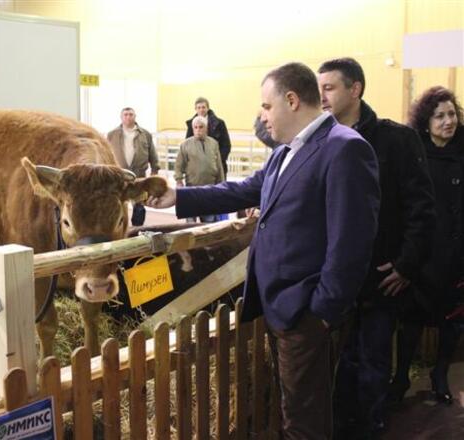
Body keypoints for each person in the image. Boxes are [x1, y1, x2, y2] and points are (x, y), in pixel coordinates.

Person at [148, 62, 380, 439]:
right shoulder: (284, 151)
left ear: (291, 100)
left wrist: (321, 312)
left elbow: (351, 243)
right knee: (293, 405)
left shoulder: (344, 149)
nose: (261, 116)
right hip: (281, 306)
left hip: (305, 310)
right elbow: (240, 190)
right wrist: (177, 197)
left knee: (306, 418)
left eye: (266, 106)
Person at [317, 57, 436, 439]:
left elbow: (422, 209)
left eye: (329, 88)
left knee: (371, 362)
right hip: (332, 278)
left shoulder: (396, 140)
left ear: (356, 89)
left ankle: (369, 429)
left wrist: (405, 265)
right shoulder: (319, 141)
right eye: (318, 89)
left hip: (379, 278)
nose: (321, 96)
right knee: (338, 365)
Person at [390, 86, 464, 406]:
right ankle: (401, 376)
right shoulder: (413, 150)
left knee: (453, 318)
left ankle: (440, 375)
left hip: (458, 251)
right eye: (440, 116)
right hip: (422, 250)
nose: (448, 121)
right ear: (425, 120)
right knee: (412, 318)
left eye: (452, 115)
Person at [107, 107, 160, 226]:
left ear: (135, 117)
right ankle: (120, 229)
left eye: (131, 114)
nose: (128, 117)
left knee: (139, 205)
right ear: (121, 117)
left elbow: (152, 152)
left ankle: (137, 229)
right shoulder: (112, 135)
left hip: (139, 175)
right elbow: (107, 153)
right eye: (125, 115)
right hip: (118, 176)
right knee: (118, 204)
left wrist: (155, 169)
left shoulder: (145, 134)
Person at [175, 116, 225, 223]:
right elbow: (179, 165)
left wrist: (222, 184)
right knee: (190, 224)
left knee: (209, 222)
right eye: (195, 127)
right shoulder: (185, 145)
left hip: (209, 189)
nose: (198, 130)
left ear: (206, 128)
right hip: (191, 189)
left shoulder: (213, 143)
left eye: (201, 127)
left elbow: (219, 165)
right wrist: (179, 181)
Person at [185, 97, 231, 178]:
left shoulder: (219, 123)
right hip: (196, 167)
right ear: (195, 109)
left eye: (203, 107)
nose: (201, 110)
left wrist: (218, 160)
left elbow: (226, 145)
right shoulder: (191, 124)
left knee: (217, 189)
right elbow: (187, 145)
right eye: (199, 108)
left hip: (216, 166)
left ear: (208, 108)